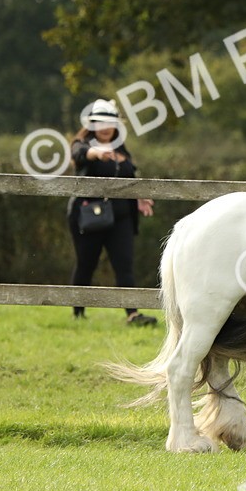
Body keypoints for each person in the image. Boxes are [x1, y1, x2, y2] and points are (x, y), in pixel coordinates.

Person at [67, 99, 157, 326]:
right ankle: (77, 313)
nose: (106, 128)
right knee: (86, 264)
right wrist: (95, 154)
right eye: (101, 123)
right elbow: (79, 154)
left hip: (122, 218)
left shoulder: (121, 150)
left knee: (124, 265)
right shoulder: (82, 144)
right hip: (89, 217)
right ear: (92, 125)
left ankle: (133, 314)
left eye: (110, 122)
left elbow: (128, 179)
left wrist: (139, 196)